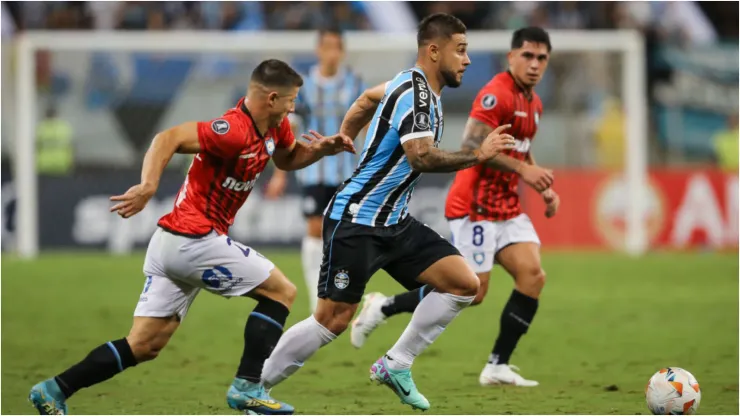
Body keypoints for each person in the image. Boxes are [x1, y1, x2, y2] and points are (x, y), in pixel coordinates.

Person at [28, 59, 355, 416]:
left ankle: (52, 390)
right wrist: (149, 185)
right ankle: (247, 387)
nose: (294, 108)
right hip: (192, 238)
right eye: (290, 101)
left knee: (144, 344)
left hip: (173, 244)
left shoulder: (274, 128)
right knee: (282, 291)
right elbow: (166, 138)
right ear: (272, 98)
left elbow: (288, 159)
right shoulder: (231, 129)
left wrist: (322, 149)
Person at [259, 14, 517, 411]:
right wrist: (477, 156)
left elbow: (365, 100)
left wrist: (347, 134)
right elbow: (421, 156)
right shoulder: (415, 95)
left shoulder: (408, 84)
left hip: (393, 222)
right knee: (332, 319)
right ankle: (254, 384)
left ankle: (396, 363)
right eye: (460, 50)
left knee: (465, 283)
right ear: (434, 51)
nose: (467, 60)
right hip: (358, 220)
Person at [350, 27, 560, 388]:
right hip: (475, 205)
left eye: (541, 58)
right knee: (472, 291)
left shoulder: (534, 102)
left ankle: (497, 365)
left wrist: (539, 182)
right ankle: (382, 307)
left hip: (506, 206)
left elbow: (519, 147)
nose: (534, 64)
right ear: (511, 58)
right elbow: (473, 143)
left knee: (533, 276)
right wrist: (525, 169)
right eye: (527, 55)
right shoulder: (497, 94)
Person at [264, 27, 366, 313]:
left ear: (342, 51)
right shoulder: (304, 87)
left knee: (346, 234)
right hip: (312, 170)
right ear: (318, 50)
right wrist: (280, 173)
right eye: (327, 47)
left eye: (337, 47)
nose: (332, 53)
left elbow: (367, 124)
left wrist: (371, 160)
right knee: (313, 229)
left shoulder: (355, 83)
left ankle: (343, 295)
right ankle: (316, 300)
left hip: (348, 171)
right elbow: (289, 129)